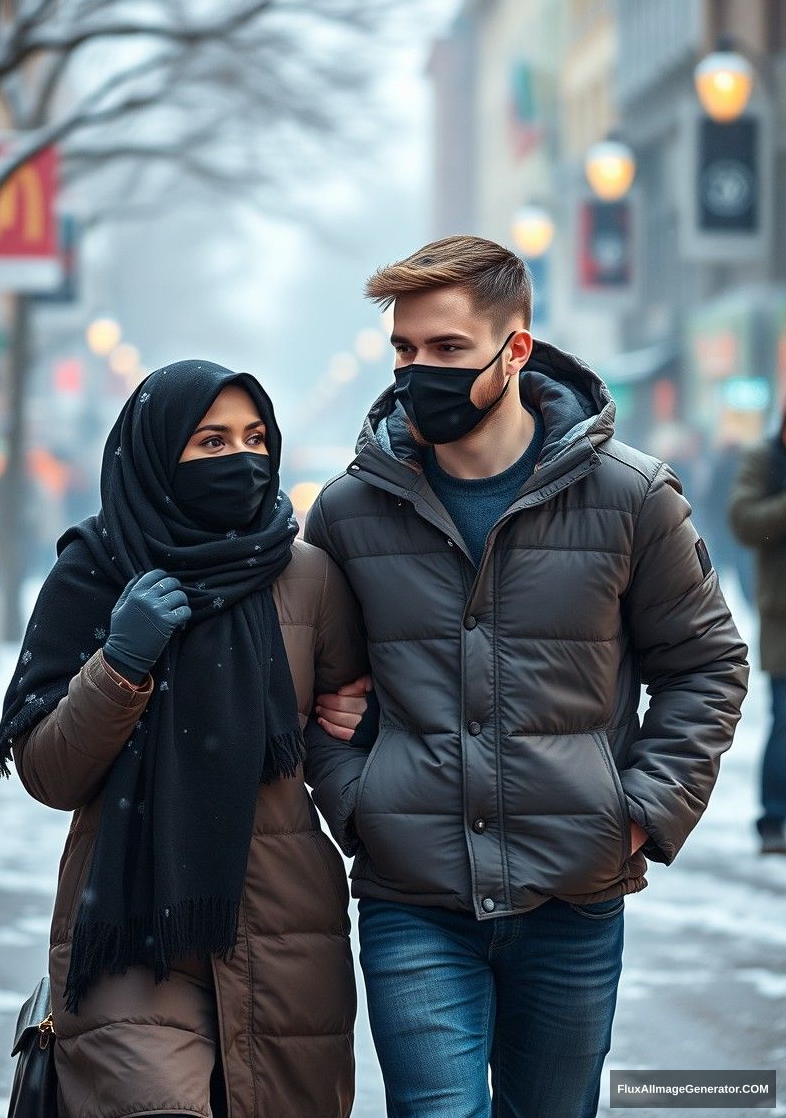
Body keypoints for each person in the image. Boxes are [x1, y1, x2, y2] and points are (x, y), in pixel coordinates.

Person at [303, 236, 749, 1118]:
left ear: (515, 352)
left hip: (573, 896)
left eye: (447, 349)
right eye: (404, 349)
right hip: (413, 896)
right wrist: (358, 802)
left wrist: (640, 813)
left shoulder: (631, 498)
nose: (416, 371)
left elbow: (706, 663)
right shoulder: (350, 511)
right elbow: (317, 689)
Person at [0, 359, 371, 1118]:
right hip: (130, 926)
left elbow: (340, 744)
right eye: (210, 441)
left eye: (256, 437)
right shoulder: (94, 573)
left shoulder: (308, 578)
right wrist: (121, 663)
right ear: (158, 456)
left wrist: (363, 729)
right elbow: (47, 771)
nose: (242, 458)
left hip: (284, 928)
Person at [728, 405, 786, 854]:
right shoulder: (764, 459)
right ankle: (772, 818)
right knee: (785, 721)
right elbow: (744, 522)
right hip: (784, 614)